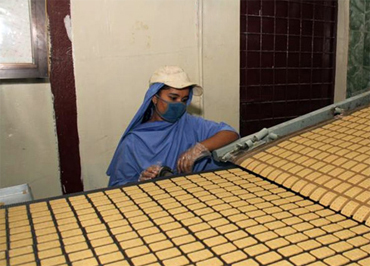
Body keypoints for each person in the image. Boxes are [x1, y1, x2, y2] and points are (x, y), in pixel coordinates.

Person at [107, 66, 239, 186]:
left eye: (184, 100)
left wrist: (198, 149)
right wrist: (141, 181)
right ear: (154, 98)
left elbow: (230, 133)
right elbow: (118, 186)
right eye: (173, 98)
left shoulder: (190, 124)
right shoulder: (133, 142)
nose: (179, 104)